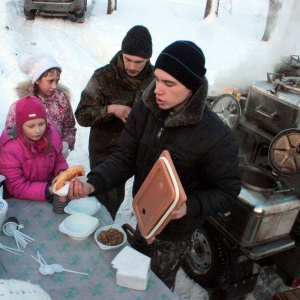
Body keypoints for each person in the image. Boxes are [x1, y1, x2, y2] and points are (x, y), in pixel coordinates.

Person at [65, 40, 241, 290]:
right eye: (157, 79)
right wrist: (93, 182)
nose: (158, 89)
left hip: (174, 234)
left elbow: (227, 191)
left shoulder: (216, 137)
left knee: (156, 285)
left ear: (191, 87)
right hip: (144, 217)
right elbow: (124, 156)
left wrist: (189, 206)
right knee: (132, 275)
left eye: (169, 84)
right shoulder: (146, 109)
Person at [75, 25, 154, 220]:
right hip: (107, 154)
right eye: (128, 59)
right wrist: (110, 109)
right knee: (106, 203)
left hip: (143, 151)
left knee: (148, 202)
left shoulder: (155, 80)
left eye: (139, 62)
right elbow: (82, 114)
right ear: (121, 53)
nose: (132, 66)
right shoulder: (103, 77)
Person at [5, 54, 76, 159]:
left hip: (56, 160)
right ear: (37, 80)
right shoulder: (20, 106)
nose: (54, 86)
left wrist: (66, 143)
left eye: (57, 81)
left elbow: (69, 127)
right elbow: (10, 135)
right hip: (29, 163)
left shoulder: (62, 101)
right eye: (50, 81)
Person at [0, 96, 68, 202]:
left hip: (48, 195)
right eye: (31, 126)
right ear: (20, 126)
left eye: (41, 124)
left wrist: (62, 173)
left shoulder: (51, 135)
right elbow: (16, 186)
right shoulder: (10, 148)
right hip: (19, 203)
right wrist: (48, 190)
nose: (38, 130)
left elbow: (58, 160)